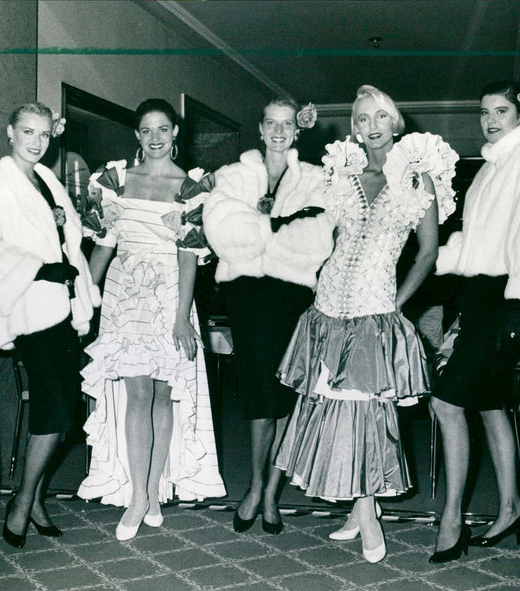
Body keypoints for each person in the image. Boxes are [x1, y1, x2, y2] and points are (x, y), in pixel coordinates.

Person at [274, 85, 459, 563]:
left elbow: (429, 252)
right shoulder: (345, 172)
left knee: (366, 412)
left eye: (379, 116)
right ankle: (361, 510)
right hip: (329, 304)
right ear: (354, 127)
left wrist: (396, 302)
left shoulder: (419, 176)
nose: (370, 126)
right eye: (361, 119)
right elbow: (328, 237)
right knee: (334, 406)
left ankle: (366, 510)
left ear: (395, 122)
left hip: (376, 307)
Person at [76, 98, 226, 541]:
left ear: (175, 133)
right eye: (147, 130)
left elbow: (189, 256)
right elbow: (104, 243)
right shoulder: (114, 180)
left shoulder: (193, 187)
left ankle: (155, 491)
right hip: (125, 296)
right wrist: (86, 297)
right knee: (136, 393)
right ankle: (138, 496)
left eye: (164, 129)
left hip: (169, 295)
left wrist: (182, 318)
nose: (156, 137)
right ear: (137, 136)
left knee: (163, 397)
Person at [429, 81, 520, 563]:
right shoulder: (488, 167)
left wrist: (517, 297)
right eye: (484, 111)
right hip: (478, 293)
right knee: (489, 405)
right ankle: (510, 508)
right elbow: (471, 239)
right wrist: (439, 264)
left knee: (445, 402)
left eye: (500, 110)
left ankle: (451, 519)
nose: (490, 119)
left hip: (507, 293)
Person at [0, 102, 101, 549]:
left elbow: (65, 239)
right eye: (28, 132)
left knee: (66, 418)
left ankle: (36, 498)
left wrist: (62, 231)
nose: (36, 142)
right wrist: (40, 269)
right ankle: (21, 502)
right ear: (10, 132)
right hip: (29, 311)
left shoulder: (45, 179)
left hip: (60, 310)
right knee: (53, 413)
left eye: (44, 135)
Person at [203, 96, 335, 535]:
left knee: (286, 397)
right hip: (246, 295)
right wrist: (278, 227)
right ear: (260, 129)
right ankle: (256, 487)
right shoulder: (234, 175)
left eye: (287, 125)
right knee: (259, 395)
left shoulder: (317, 178)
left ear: (297, 131)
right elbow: (221, 229)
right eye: (271, 124)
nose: (279, 132)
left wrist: (261, 232)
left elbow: (318, 239)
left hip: (291, 296)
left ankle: (270, 492)